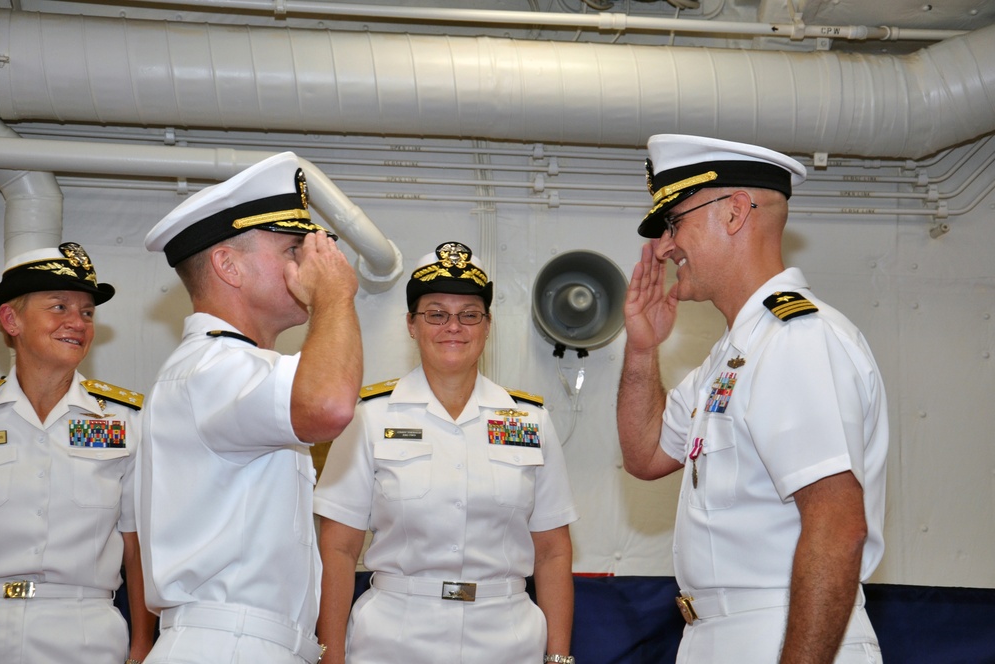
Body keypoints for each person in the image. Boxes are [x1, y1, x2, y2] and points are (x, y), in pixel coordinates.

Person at [616, 135, 888, 663]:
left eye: (675, 222)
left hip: (786, 634)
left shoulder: (795, 339)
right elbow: (645, 456)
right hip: (726, 636)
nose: (667, 246)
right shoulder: (733, 354)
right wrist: (642, 350)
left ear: (736, 212)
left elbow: (837, 525)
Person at [136, 151, 363, 664]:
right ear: (227, 265)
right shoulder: (213, 368)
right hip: (226, 645)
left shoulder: (237, 368)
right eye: (291, 248)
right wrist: (336, 299)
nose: (308, 263)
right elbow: (328, 405)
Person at [313, 241, 578, 664]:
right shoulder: (368, 417)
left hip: (507, 640)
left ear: (488, 326)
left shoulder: (527, 420)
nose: (453, 327)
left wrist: (559, 658)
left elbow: (553, 551)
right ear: (411, 325)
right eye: (436, 314)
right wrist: (329, 656)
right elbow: (338, 549)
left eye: (469, 315)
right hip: (393, 639)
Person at [0, 242, 154, 664]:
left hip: (85, 630)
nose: (77, 323)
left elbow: (137, 547)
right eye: (59, 306)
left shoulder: (124, 421)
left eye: (87, 312)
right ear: (11, 319)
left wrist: (141, 646)